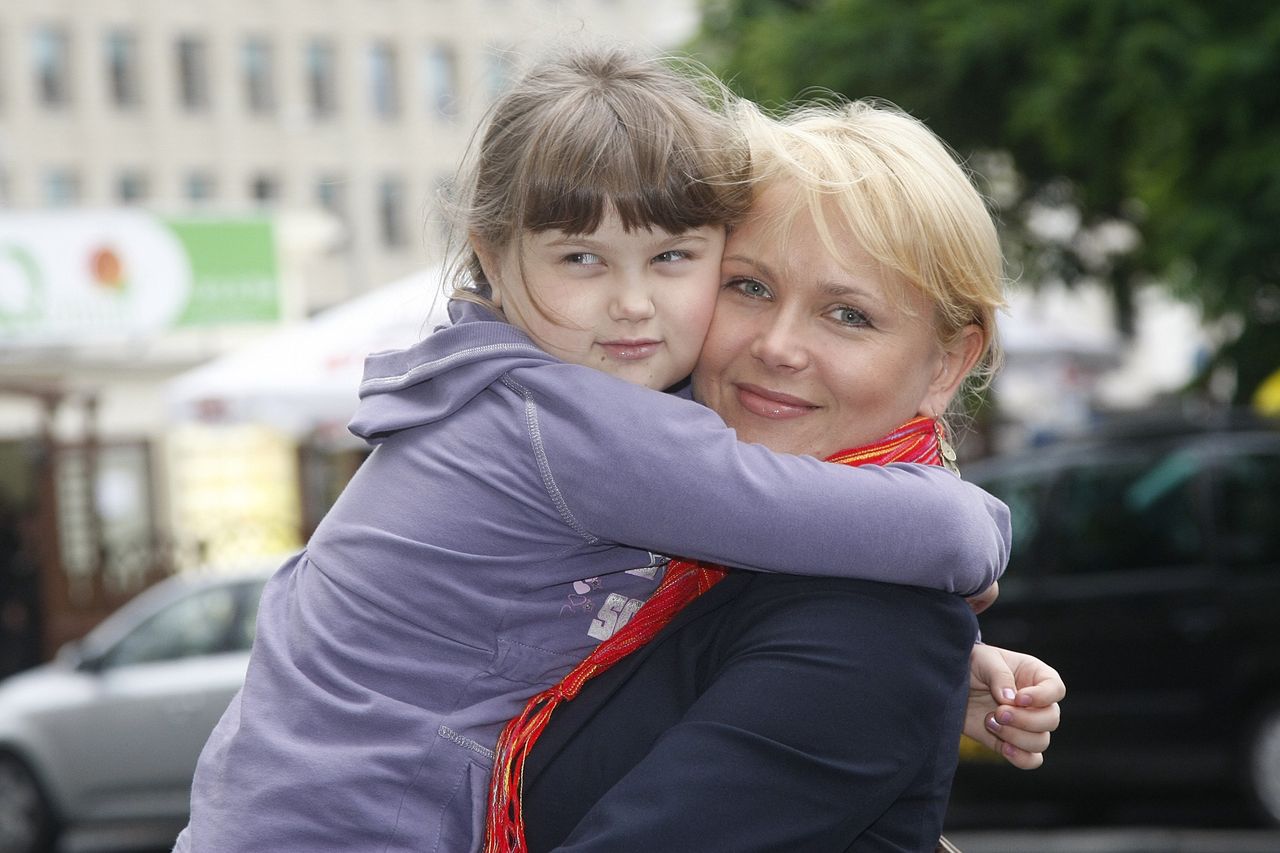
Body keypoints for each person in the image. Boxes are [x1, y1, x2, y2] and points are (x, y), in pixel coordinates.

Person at [174, 48, 1010, 853]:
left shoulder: (537, 395)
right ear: (492, 256)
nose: (634, 304)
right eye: (582, 259)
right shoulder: (576, 426)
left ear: (949, 362)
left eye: (675, 258)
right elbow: (930, 536)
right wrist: (976, 532)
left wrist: (937, 664)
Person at [510, 98, 1067, 851]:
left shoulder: (882, 626)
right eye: (751, 287)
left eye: (848, 315)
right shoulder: (651, 517)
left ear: (946, 365)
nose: (777, 345)